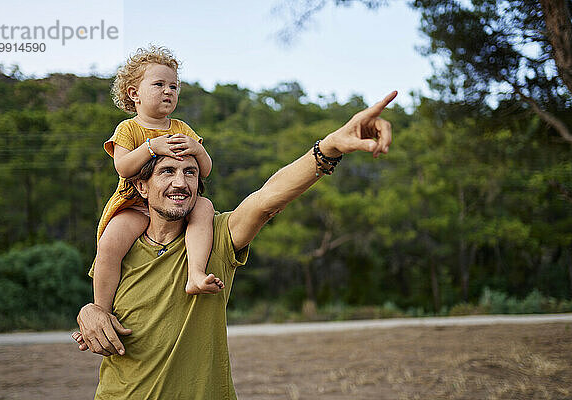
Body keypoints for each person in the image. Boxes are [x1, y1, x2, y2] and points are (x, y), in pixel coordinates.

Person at [76, 90, 397, 399]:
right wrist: (91, 311)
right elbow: (98, 307)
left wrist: (329, 147)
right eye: (167, 171)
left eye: (190, 172)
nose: (180, 182)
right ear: (142, 187)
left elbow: (267, 199)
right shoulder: (120, 242)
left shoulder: (214, 238)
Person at [91, 45, 223, 321]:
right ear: (134, 93)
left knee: (205, 207)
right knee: (110, 244)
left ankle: (196, 273)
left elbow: (206, 170)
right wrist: (152, 147)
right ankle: (102, 308)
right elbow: (124, 168)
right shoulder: (129, 128)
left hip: (176, 201)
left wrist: (197, 149)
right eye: (159, 84)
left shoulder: (182, 129)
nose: (168, 91)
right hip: (134, 204)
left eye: (174, 87)